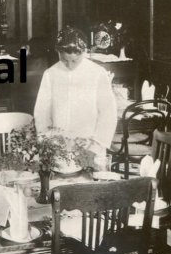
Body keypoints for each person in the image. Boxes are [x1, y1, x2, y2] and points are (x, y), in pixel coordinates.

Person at [33, 27, 117, 157]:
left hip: (90, 144)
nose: (70, 65)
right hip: (58, 144)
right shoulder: (51, 74)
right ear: (58, 53)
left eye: (74, 61)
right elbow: (42, 112)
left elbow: (108, 112)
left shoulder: (97, 73)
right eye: (65, 60)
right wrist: (47, 140)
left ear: (83, 53)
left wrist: (97, 144)